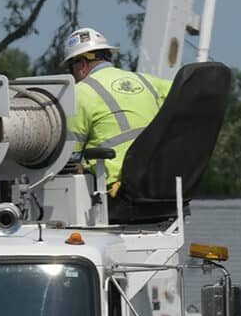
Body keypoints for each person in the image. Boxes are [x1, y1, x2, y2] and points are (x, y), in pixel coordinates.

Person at [65, 28, 173, 196]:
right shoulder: (149, 81)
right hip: (163, 185)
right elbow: (189, 91)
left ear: (82, 65)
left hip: (118, 192)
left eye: (70, 68)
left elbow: (68, 155)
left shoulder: (79, 93)